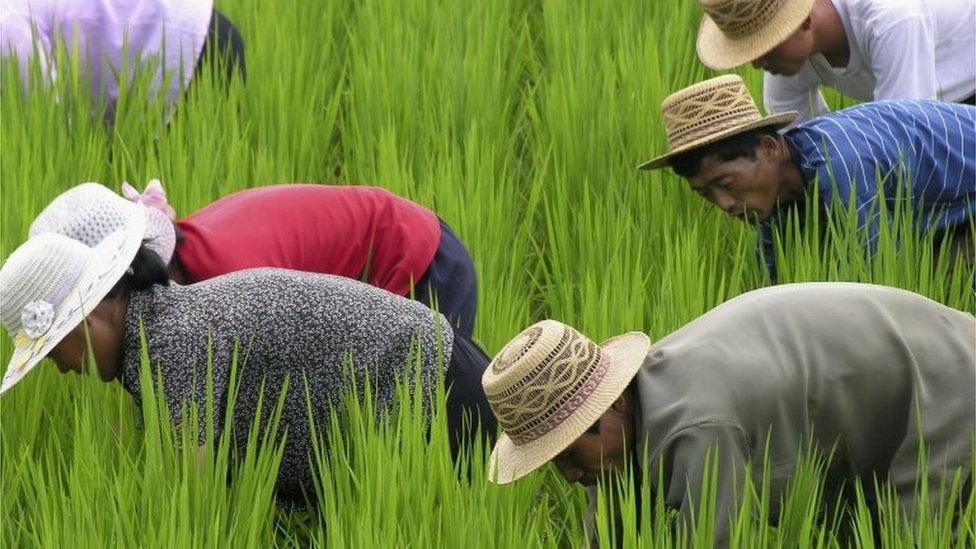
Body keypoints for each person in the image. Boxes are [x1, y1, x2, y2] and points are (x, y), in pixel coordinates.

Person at [0, 208, 496, 509]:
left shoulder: (172, 343)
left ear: (85, 321)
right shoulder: (161, 327)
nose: (60, 368)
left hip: (438, 397)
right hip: (425, 391)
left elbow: (195, 503)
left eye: (50, 352)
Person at [481, 283, 974, 545]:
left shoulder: (694, 426)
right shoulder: (625, 424)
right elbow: (611, 527)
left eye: (569, 454)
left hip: (943, 381)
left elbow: (725, 539)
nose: (569, 476)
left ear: (612, 402)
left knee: (914, 534)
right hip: (872, 388)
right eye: (555, 462)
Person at [29, 180, 479, 337]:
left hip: (420, 263)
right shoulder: (191, 261)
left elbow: (294, 364)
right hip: (391, 253)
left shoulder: (232, 277)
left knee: (423, 428)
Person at [638, 75, 975, 281]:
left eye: (726, 185)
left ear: (768, 147)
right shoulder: (780, 191)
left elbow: (878, 278)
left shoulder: (842, 162)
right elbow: (773, 281)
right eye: (705, 194)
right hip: (949, 208)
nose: (723, 204)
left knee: (937, 291)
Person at [694, 0, 976, 122]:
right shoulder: (787, 61)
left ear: (803, 20)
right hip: (931, 111)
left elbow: (906, 139)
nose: (758, 63)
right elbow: (800, 147)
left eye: (766, 47)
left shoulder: (892, 20)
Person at [0, 0, 245, 120]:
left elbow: (48, 121)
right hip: (192, 29)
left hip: (193, 48)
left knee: (182, 190)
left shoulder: (7, 23)